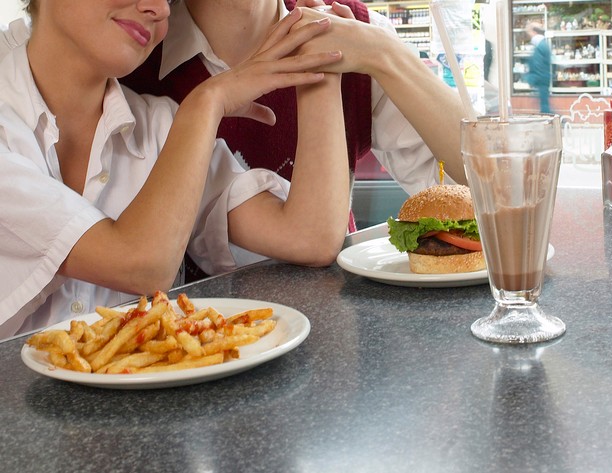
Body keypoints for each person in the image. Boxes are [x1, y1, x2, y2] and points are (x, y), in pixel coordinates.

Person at [0, 0, 353, 338]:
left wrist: (318, 53)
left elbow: (310, 237)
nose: (160, 8)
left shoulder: (161, 126)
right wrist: (207, 100)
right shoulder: (189, 116)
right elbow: (141, 265)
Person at [120, 0, 468, 198]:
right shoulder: (126, 54)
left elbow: (487, 189)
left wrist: (385, 53)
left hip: (333, 317)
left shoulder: (352, 30)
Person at [525, 22, 552, 114]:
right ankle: (556, 120)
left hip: (541, 80)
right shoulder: (542, 44)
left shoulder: (540, 46)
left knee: (545, 106)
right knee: (544, 103)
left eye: (529, 33)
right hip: (543, 79)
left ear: (534, 32)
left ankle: (559, 121)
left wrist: (533, 79)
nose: (529, 35)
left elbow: (538, 65)